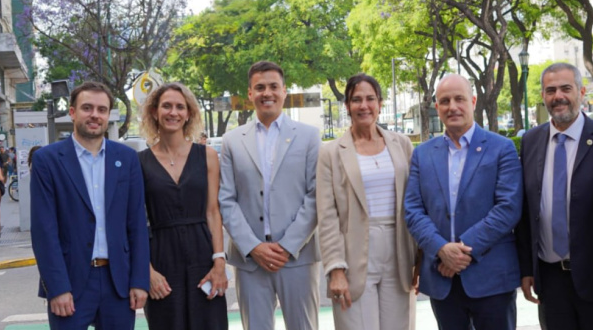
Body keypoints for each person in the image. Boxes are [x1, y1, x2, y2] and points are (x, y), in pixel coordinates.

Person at [404, 74, 523, 330]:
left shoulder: (502, 148)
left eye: (459, 99)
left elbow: (508, 208)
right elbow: (413, 210)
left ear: (473, 100)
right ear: (437, 107)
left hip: (491, 278)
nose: (452, 106)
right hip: (442, 279)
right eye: (445, 101)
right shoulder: (422, 154)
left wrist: (460, 251)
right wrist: (441, 250)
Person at [30, 81, 150, 329]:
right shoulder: (47, 160)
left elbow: (137, 223)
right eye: (87, 108)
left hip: (119, 283)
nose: (95, 115)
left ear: (108, 116)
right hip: (70, 284)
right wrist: (57, 287)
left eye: (102, 109)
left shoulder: (126, 158)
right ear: (72, 112)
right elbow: (44, 231)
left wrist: (139, 280)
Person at [516, 63, 593, 330]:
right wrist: (527, 270)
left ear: (582, 92)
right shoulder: (531, 141)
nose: (558, 96)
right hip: (549, 279)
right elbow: (527, 211)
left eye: (566, 88)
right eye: (550, 90)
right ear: (543, 96)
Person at [219, 61, 321, 330]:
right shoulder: (232, 140)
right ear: (250, 93)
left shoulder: (310, 137)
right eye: (260, 87)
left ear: (284, 91)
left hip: (297, 257)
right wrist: (253, 247)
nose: (268, 93)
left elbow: (315, 196)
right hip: (250, 260)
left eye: (274, 86)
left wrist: (287, 246)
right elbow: (226, 199)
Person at [317, 73, 417, 330]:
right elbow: (327, 216)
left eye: (370, 99)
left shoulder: (402, 145)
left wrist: (420, 257)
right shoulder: (330, 153)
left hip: (398, 252)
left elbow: (416, 204)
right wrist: (335, 269)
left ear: (380, 103)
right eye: (356, 99)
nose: (364, 105)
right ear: (347, 106)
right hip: (353, 256)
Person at [138, 83, 228, 329]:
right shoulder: (139, 163)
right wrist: (147, 271)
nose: (173, 112)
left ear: (189, 113)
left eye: (180, 107)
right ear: (155, 112)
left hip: (203, 255)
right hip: (162, 259)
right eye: (166, 106)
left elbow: (213, 211)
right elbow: (134, 222)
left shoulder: (207, 155)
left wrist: (219, 262)